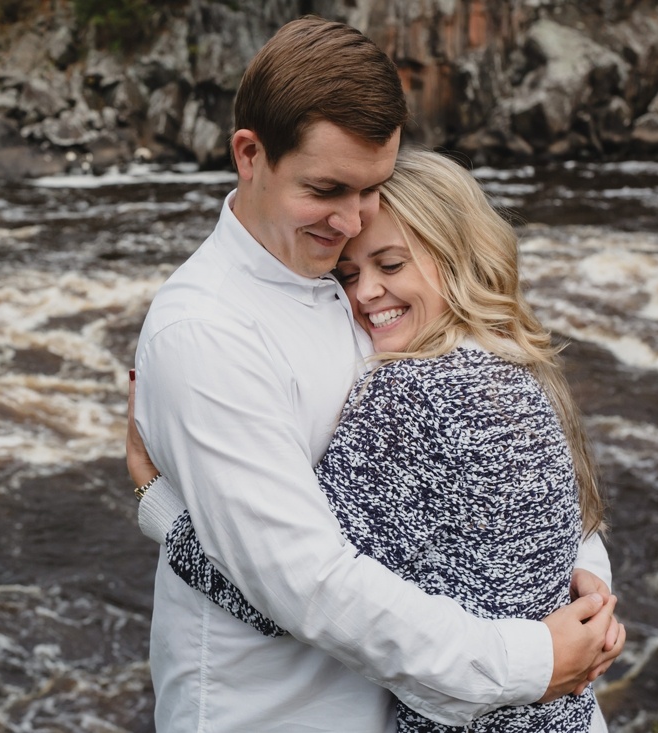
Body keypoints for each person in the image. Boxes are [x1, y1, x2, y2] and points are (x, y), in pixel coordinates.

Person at [127, 15, 624, 733]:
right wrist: (540, 651)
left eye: (373, 188)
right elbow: (309, 586)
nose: (353, 222)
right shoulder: (206, 332)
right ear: (249, 154)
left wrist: (584, 592)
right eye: (328, 189)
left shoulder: (385, 308)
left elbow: (546, 500)